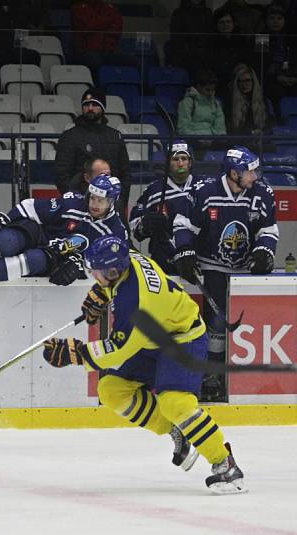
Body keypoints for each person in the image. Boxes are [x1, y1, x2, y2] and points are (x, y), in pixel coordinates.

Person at [42, 234, 247, 494]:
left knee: (175, 403)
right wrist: (101, 292)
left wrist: (76, 354)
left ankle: (225, 464)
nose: (93, 275)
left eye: (96, 273)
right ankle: (178, 430)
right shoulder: (128, 259)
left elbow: (118, 350)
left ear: (114, 271)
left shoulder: (136, 304)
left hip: (181, 339)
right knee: (111, 390)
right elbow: (118, 284)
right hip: (152, 337)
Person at [171, 145, 278, 401]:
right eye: (249, 172)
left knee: (248, 325)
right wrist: (184, 251)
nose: (255, 176)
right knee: (217, 325)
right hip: (214, 266)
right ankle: (213, 374)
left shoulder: (262, 193)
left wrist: (265, 250)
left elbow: (269, 229)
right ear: (233, 173)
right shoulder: (204, 192)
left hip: (246, 270)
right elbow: (184, 225)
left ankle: (245, 376)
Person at [0, 174, 129, 284]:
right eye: (93, 198)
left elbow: (112, 265)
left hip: (57, 256)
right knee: (7, 240)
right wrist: (6, 218)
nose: (94, 204)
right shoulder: (73, 202)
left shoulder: (115, 233)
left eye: (101, 200)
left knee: (34, 259)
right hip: (41, 233)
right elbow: (32, 205)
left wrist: (80, 267)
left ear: (112, 202)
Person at [129, 141, 204, 275]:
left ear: (190, 162)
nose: (180, 163)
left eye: (184, 159)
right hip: (164, 259)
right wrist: (145, 224)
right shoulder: (154, 190)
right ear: (168, 163)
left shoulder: (204, 187)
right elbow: (135, 226)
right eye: (175, 159)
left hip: (197, 258)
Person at [55, 87, 131, 216]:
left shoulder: (115, 136)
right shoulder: (69, 136)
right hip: (81, 206)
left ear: (103, 107)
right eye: (86, 104)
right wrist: (78, 201)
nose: (90, 108)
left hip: (112, 205)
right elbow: (61, 175)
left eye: (95, 104)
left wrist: (120, 200)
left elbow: (125, 174)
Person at [176, 68, 226, 154]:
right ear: (198, 87)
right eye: (207, 90)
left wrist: (214, 139)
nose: (211, 93)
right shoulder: (187, 103)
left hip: (212, 142)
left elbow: (220, 127)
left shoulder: (216, 104)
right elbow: (182, 128)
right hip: (193, 141)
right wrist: (199, 139)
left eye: (213, 90)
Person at [226, 63, 275, 149]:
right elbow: (230, 129)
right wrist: (251, 133)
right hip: (239, 144)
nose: (244, 84)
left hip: (260, 143)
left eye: (247, 80)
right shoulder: (230, 102)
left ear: (253, 81)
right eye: (241, 81)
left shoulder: (263, 101)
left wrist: (261, 132)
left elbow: (268, 124)